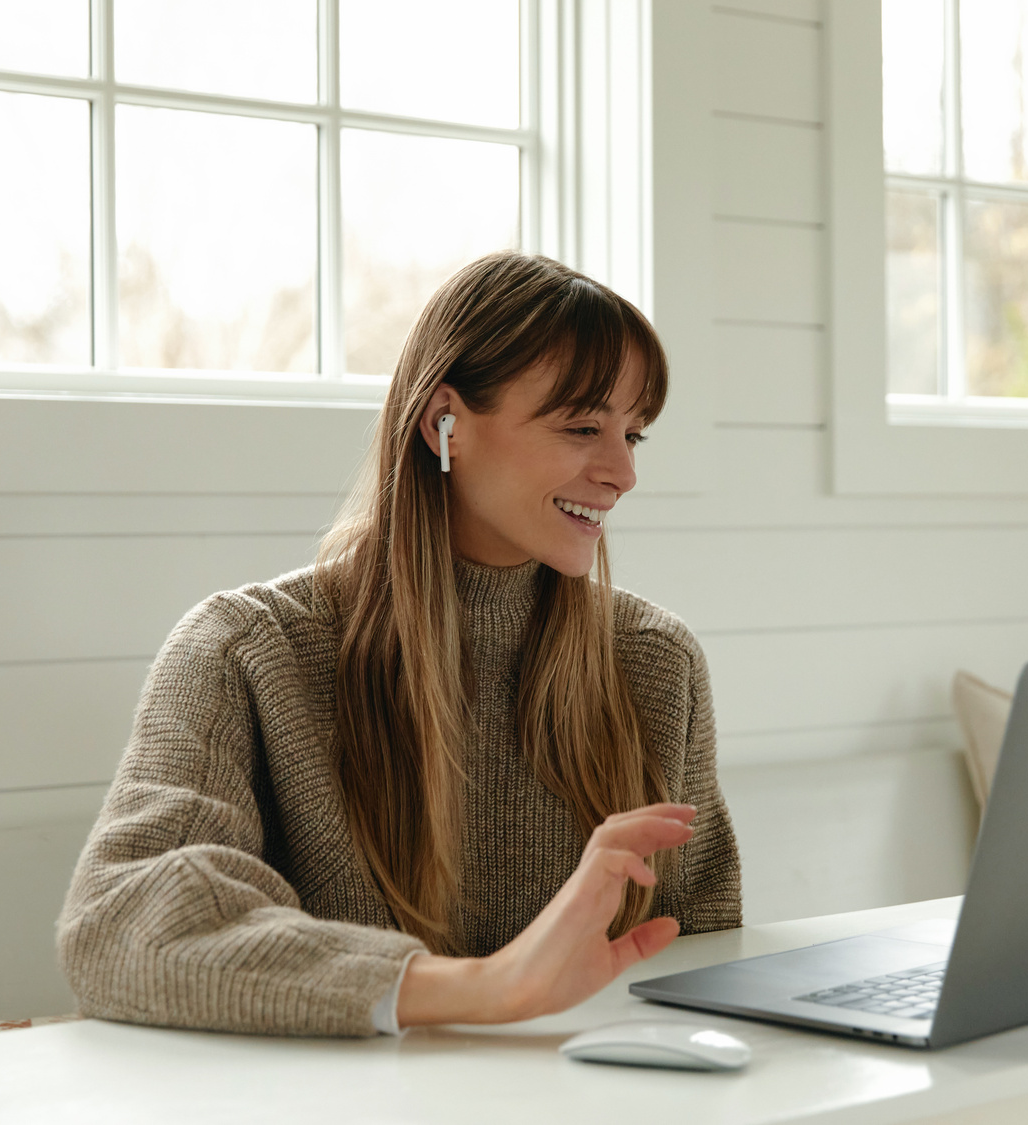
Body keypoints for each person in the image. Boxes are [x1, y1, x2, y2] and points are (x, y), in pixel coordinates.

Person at [56, 252, 741, 1037]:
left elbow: (704, 953)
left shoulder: (656, 662)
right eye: (582, 426)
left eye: (634, 435)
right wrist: (488, 987)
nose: (621, 472)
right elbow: (118, 928)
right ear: (441, 420)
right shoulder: (244, 651)